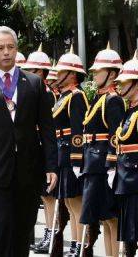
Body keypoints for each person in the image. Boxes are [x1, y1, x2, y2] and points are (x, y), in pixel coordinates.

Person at [0, 26, 58, 257]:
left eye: (11, 47)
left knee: (24, 230)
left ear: (16, 50)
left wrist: (51, 166)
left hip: (28, 169)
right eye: (0, 48)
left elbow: (47, 128)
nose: (6, 52)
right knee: (1, 228)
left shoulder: (34, 83)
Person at [80, 43, 124, 257]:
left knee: (111, 219)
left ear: (112, 73)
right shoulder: (99, 98)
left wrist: (112, 166)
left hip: (104, 166)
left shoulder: (113, 101)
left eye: (100, 70)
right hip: (94, 163)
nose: (95, 73)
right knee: (104, 220)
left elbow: (116, 136)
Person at [52, 46, 89, 256]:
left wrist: (76, 159)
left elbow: (77, 130)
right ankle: (74, 243)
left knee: (76, 203)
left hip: (70, 153)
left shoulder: (76, 96)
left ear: (72, 74)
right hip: (60, 151)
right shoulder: (62, 96)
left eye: (62, 71)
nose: (57, 74)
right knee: (67, 202)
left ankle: (79, 245)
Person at [21, 44, 57, 254]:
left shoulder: (47, 94)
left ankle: (50, 236)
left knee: (49, 198)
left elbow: (48, 128)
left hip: (45, 149)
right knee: (42, 197)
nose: (30, 73)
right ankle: (41, 236)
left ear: (42, 72)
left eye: (34, 70)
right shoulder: (33, 92)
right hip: (35, 150)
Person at [114, 53, 138, 257]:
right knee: (129, 232)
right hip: (126, 177)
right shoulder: (129, 111)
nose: (120, 86)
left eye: (125, 82)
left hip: (135, 178)